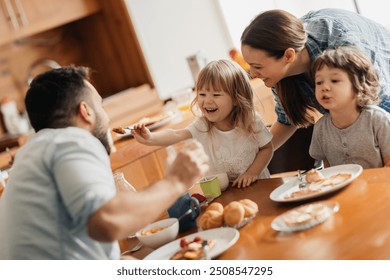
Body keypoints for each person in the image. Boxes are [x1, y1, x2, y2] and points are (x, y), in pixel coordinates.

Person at [0, 66, 209, 260]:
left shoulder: (30, 156)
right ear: (86, 111)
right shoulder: (70, 140)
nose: (106, 117)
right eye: (100, 104)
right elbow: (108, 222)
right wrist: (175, 181)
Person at [240, 8, 390, 150]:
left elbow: (378, 106)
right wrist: (251, 157)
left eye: (257, 67)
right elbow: (286, 120)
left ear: (288, 56)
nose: (252, 74)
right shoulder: (279, 72)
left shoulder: (342, 45)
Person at [132, 59, 273, 188]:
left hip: (258, 186)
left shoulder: (251, 120)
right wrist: (150, 138)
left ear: (236, 98)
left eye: (216, 95)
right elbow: (176, 134)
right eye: (202, 94)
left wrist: (252, 173)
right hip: (223, 194)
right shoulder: (203, 126)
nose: (207, 101)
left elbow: (267, 148)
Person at [309, 47, 390, 168]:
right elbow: (327, 167)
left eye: (334, 80)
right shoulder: (320, 128)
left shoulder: (378, 120)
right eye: (319, 82)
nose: (324, 87)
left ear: (360, 85)